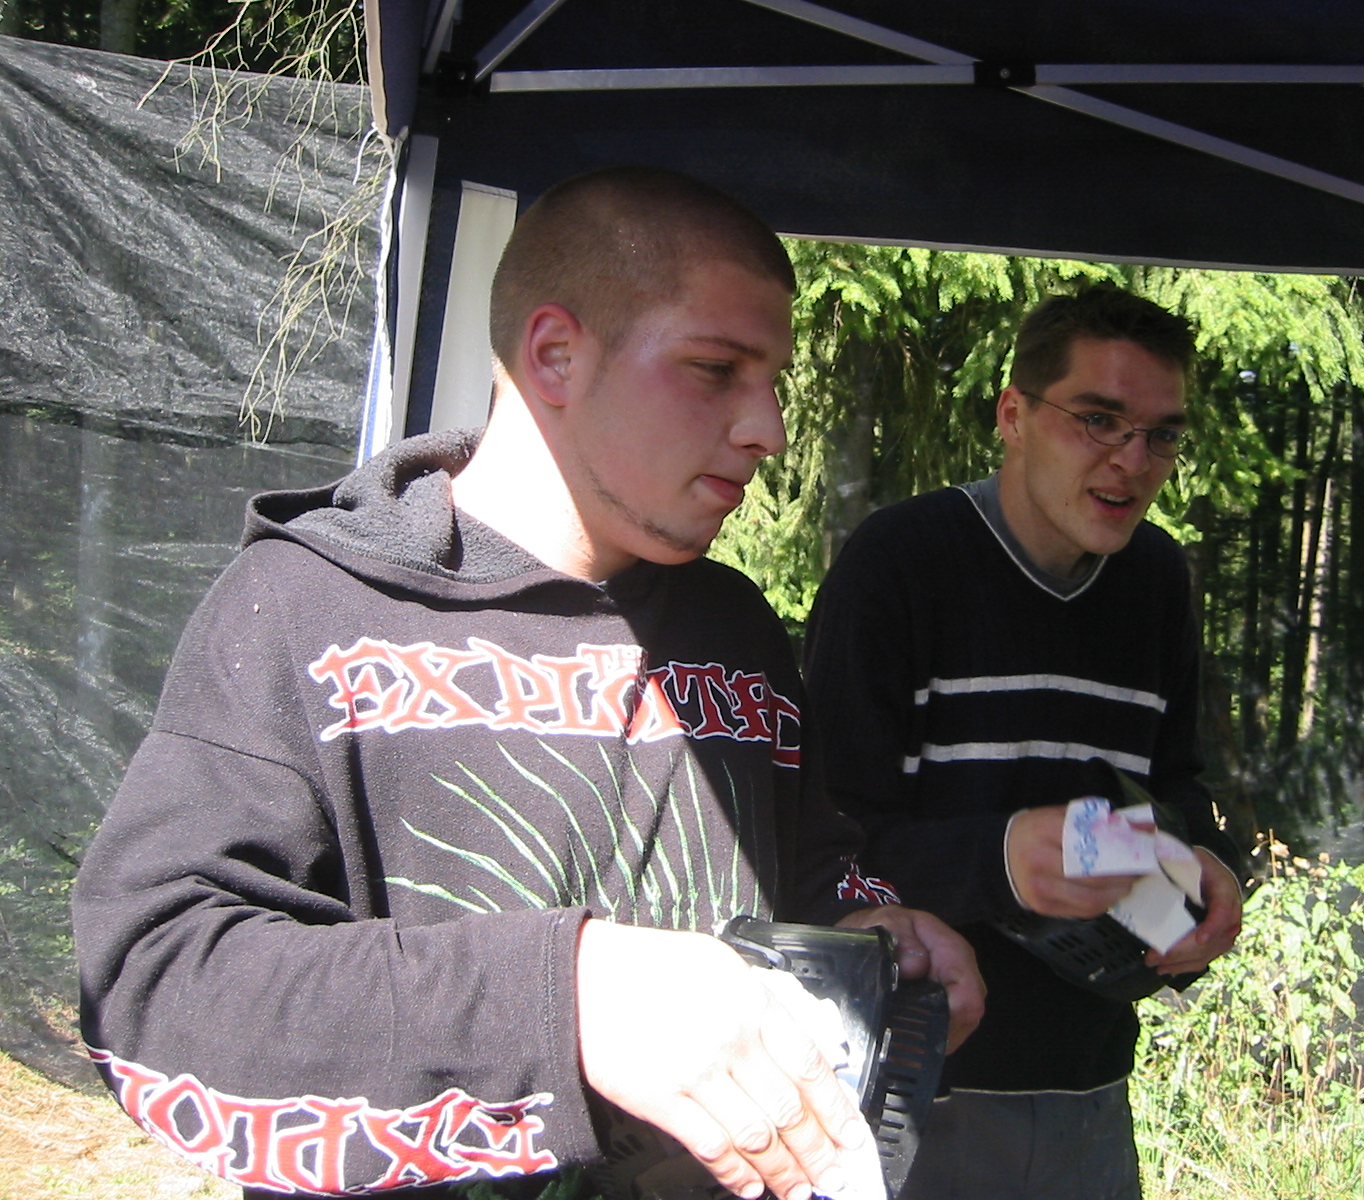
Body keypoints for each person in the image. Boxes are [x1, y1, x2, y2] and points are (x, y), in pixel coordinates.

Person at [72, 166, 982, 1200]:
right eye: (717, 368)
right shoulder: (307, 606)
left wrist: (874, 932)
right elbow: (153, 985)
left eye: (770, 378)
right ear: (554, 354)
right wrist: (573, 1000)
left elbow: (816, 864)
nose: (767, 427)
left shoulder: (736, 631)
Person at [804, 284, 1245, 1200]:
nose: (1133, 461)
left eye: (1162, 434)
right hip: (912, 1089)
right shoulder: (900, 564)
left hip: (1091, 1088)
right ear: (1014, 414)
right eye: (1099, 420)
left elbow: (1172, 792)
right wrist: (1001, 859)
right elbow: (819, 845)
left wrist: (1205, 864)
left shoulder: (1157, 580)